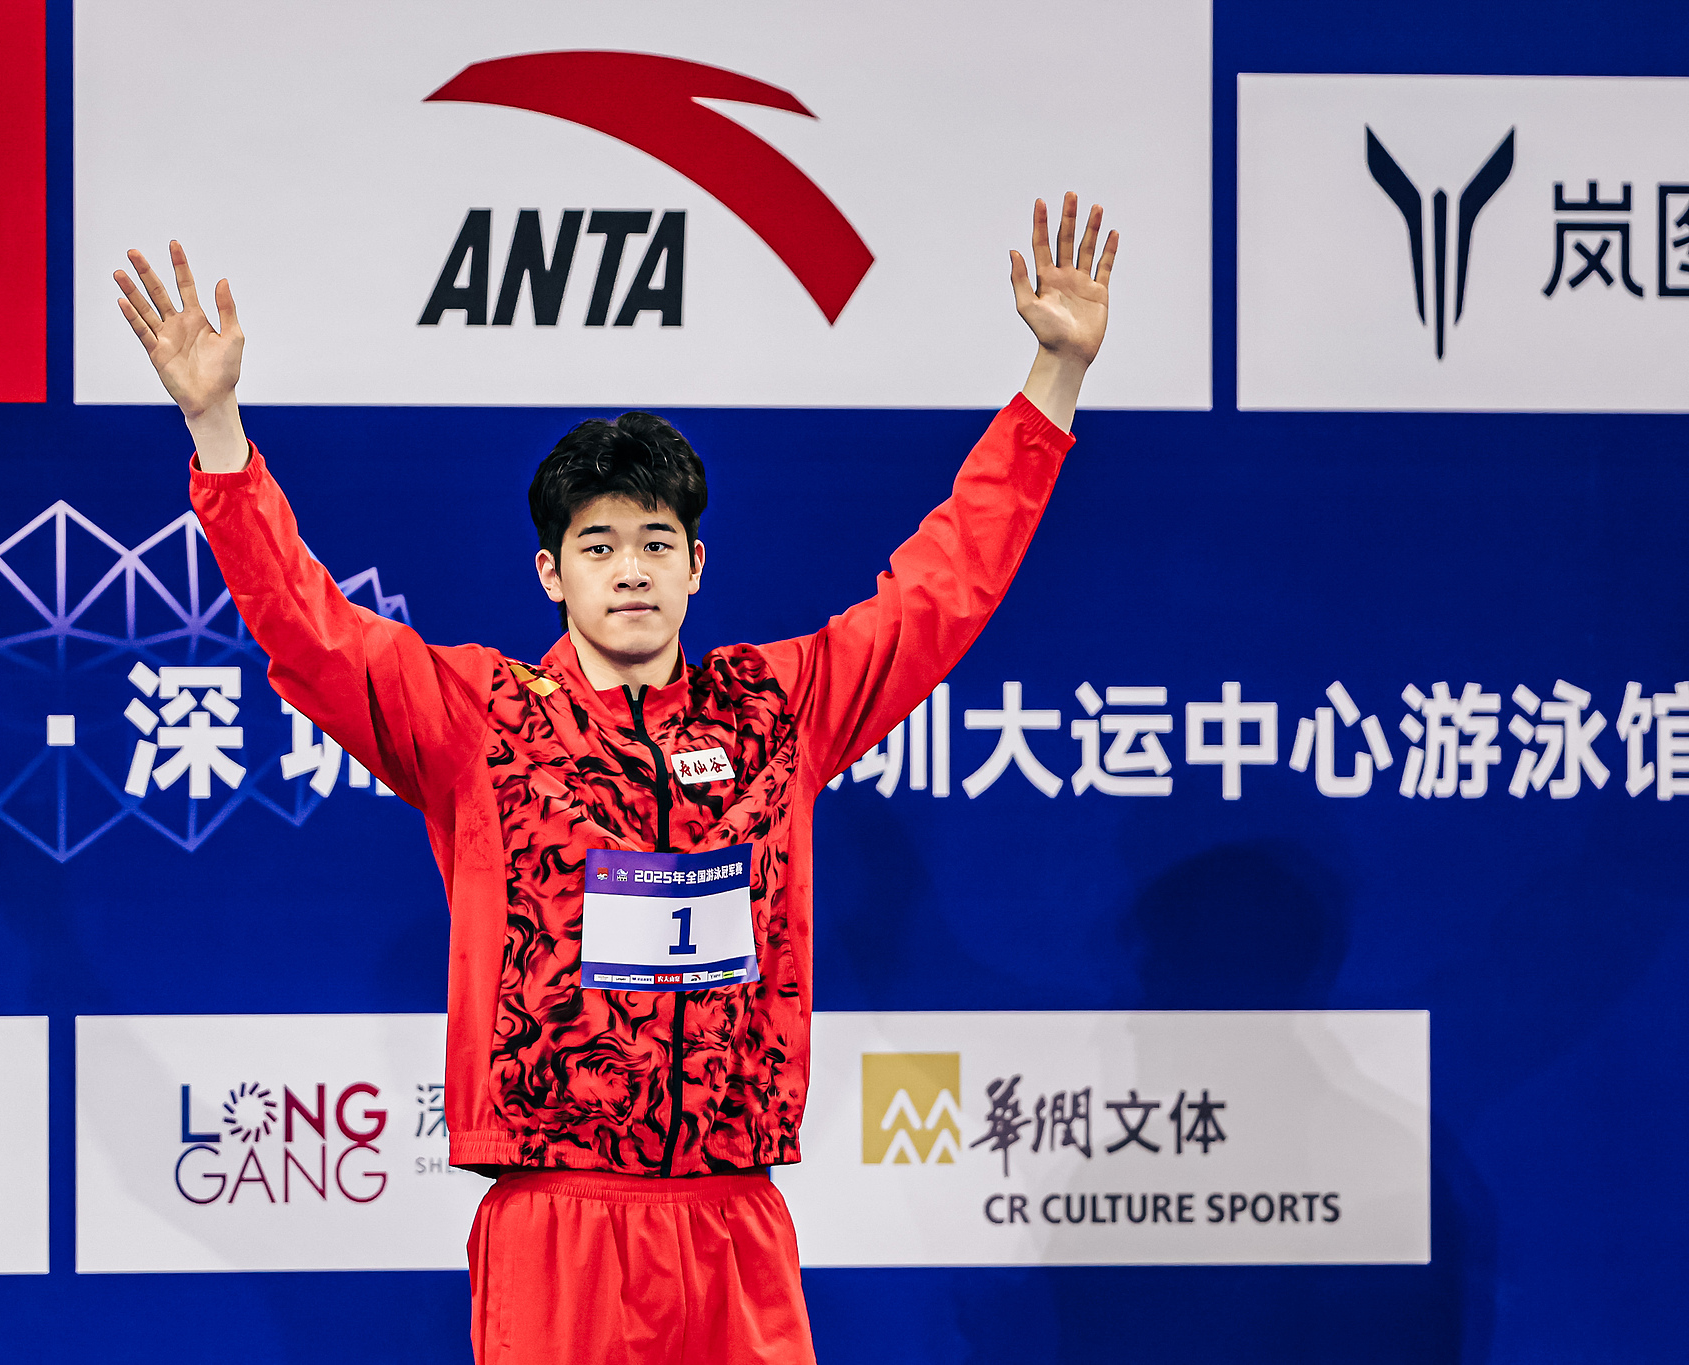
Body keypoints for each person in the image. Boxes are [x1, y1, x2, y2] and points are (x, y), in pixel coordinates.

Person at [114, 194, 1117, 1364]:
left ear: (696, 565)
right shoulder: (479, 717)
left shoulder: (776, 708)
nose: (628, 571)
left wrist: (1053, 377)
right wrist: (217, 428)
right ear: (551, 573)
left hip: (733, 1216)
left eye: (654, 544)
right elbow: (310, 630)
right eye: (597, 547)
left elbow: (940, 589)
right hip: (556, 1221)